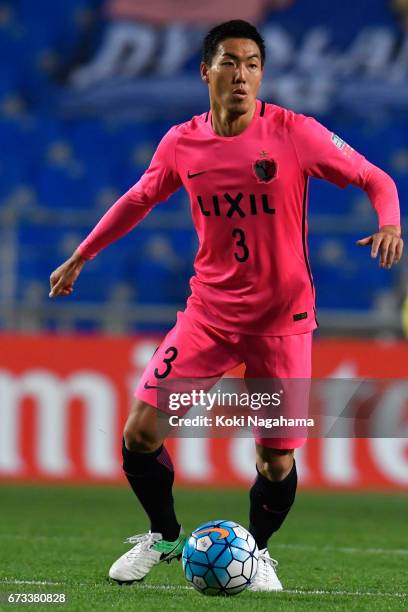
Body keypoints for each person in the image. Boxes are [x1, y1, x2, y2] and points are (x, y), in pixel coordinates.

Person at [49, 20, 403, 592]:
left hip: (281, 326)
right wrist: (81, 256)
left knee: (276, 463)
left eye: (253, 64)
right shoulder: (180, 142)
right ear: (206, 70)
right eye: (231, 62)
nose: (242, 74)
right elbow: (139, 198)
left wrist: (389, 222)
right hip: (208, 319)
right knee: (141, 433)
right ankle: (163, 536)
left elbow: (374, 176)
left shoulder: (295, 132)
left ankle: (257, 553)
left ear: (261, 74)